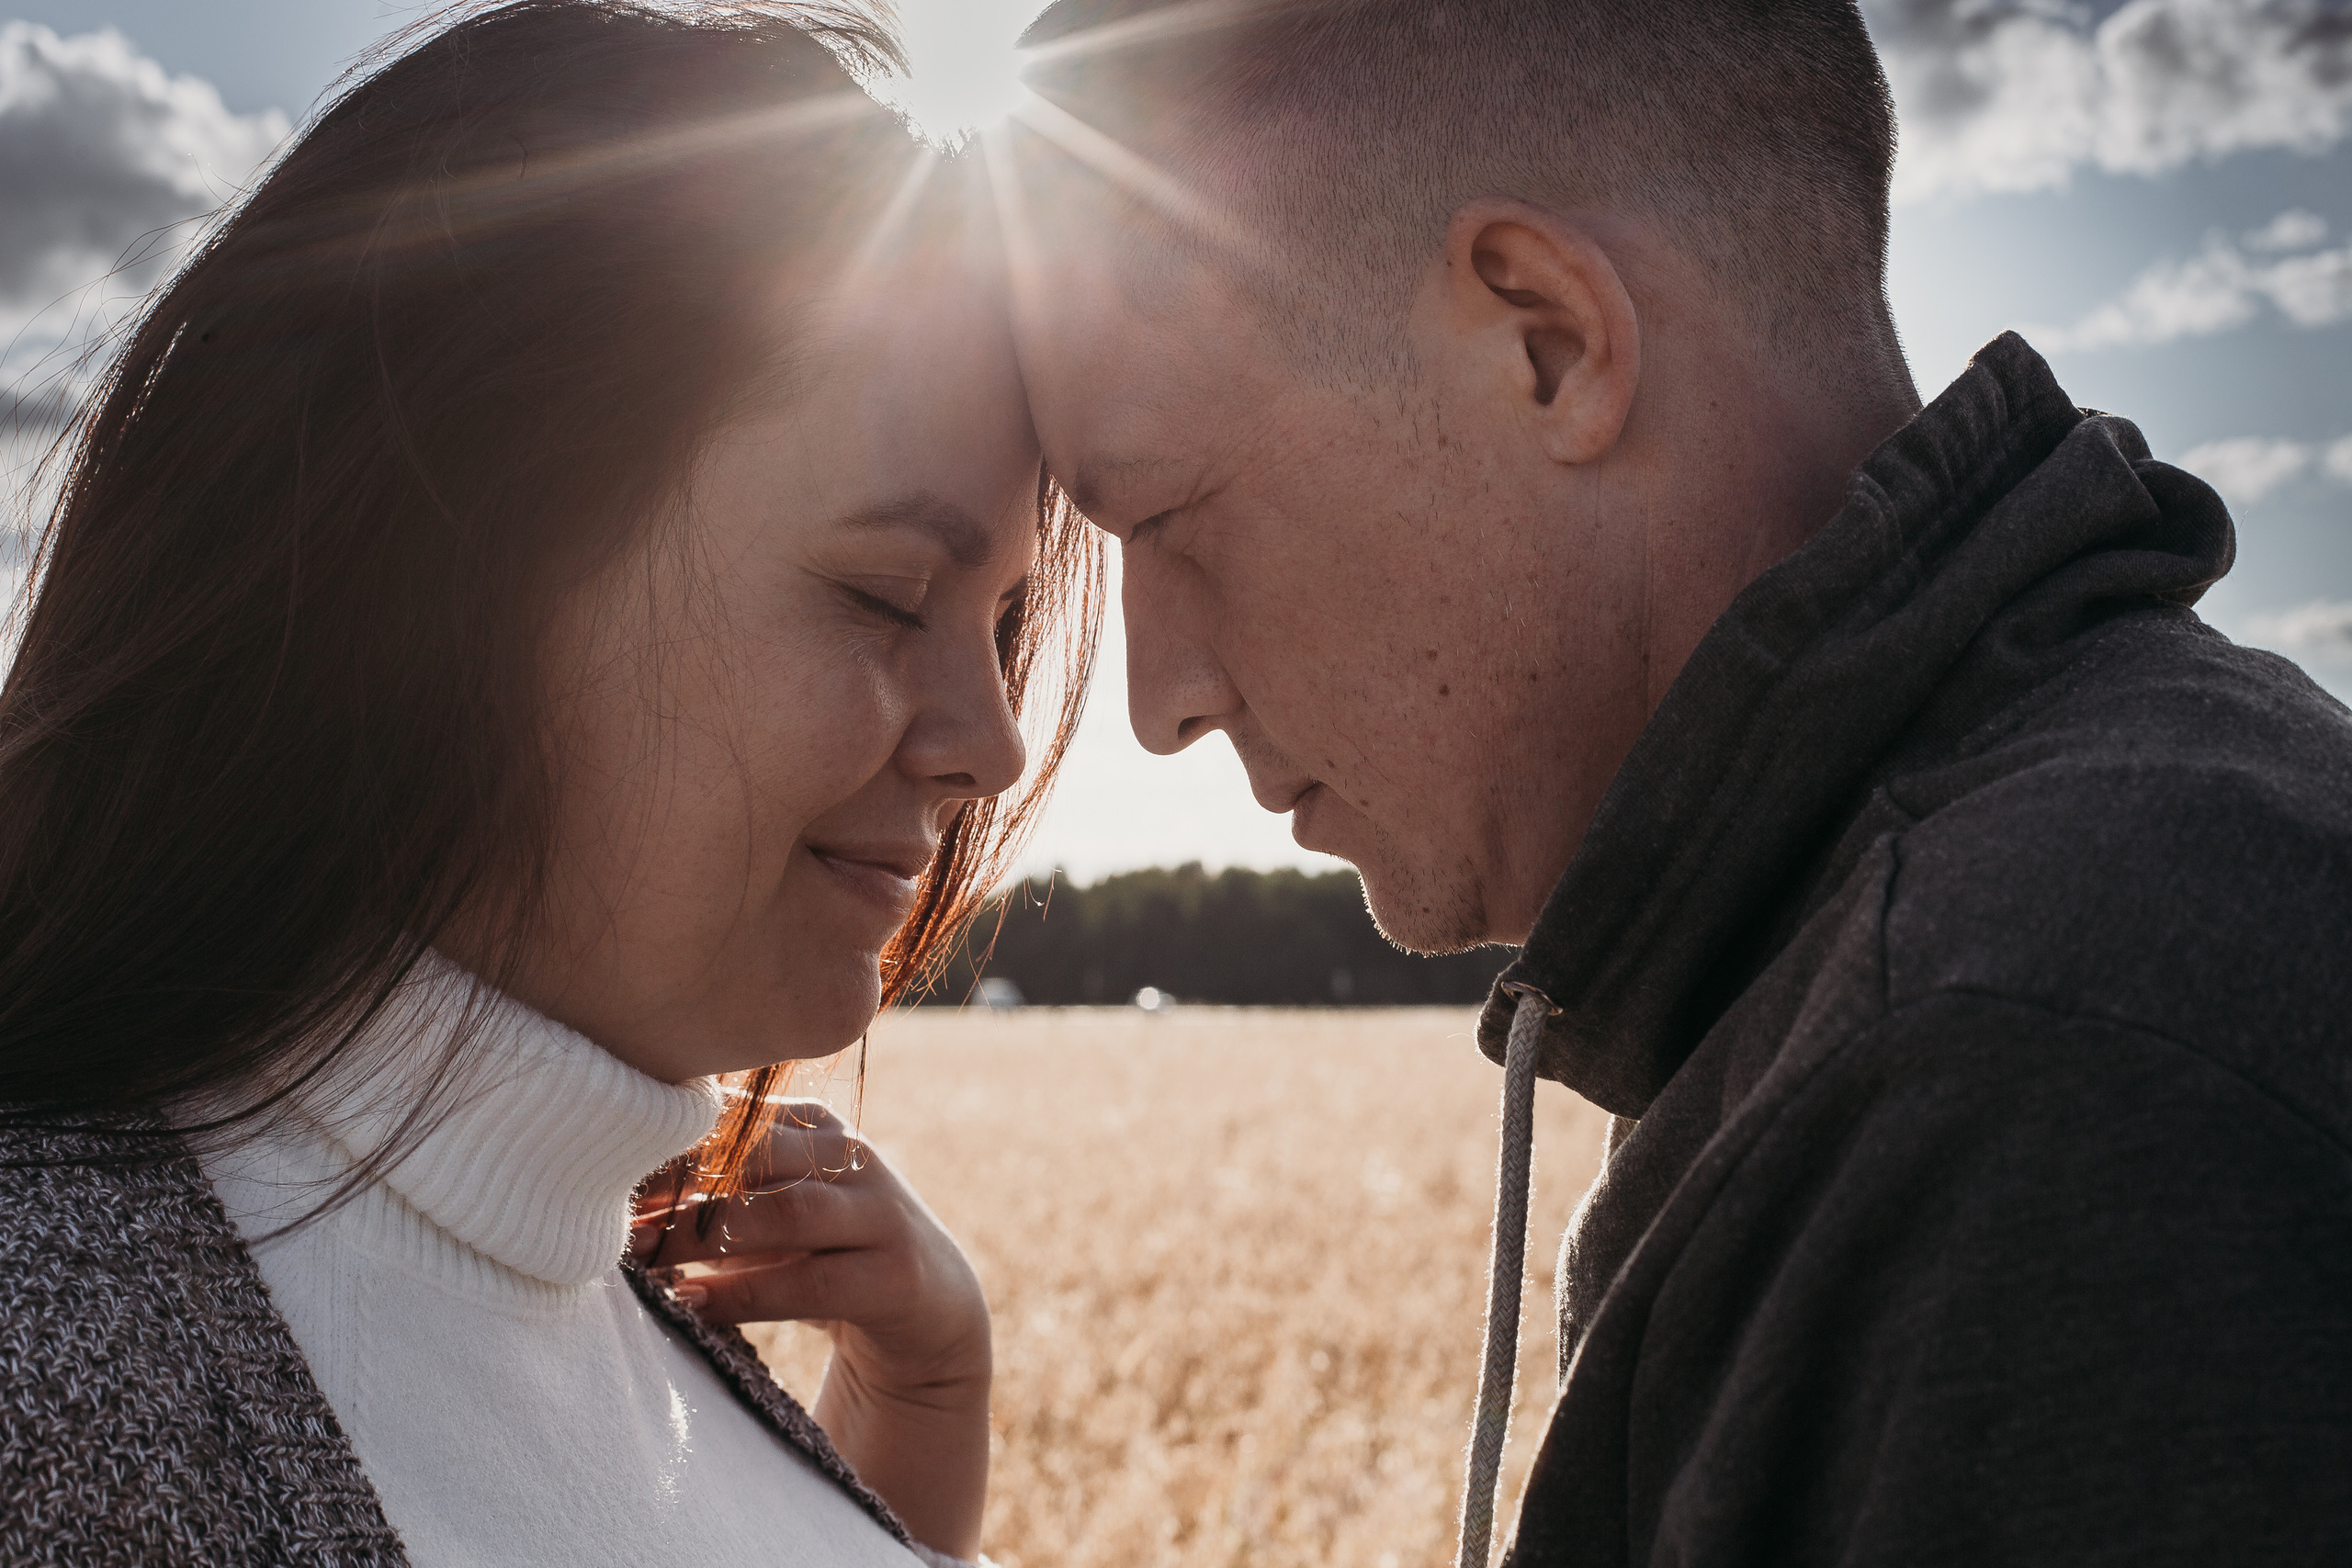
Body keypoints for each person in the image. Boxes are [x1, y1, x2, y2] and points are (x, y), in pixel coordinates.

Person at [1005, 1, 2352, 1562]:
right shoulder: (1955, 947)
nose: (1157, 704)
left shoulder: (2036, 1072)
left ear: (1547, 342)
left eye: (1168, 514)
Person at [0, 4, 1098, 1564]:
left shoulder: (649, 1329)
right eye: (882, 595)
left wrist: (920, 1437)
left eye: (1000, 629)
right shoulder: (50, 1372)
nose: (989, 741)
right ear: (442, 583)